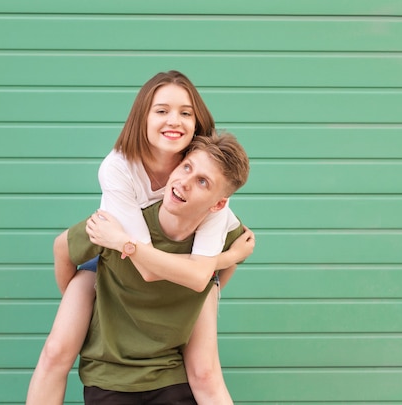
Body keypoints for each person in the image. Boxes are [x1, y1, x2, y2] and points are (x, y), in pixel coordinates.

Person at [26, 71, 254, 404]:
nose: (173, 120)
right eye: (161, 110)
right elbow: (77, 250)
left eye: (185, 112)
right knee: (55, 352)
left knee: (206, 370)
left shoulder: (206, 171)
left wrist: (217, 267)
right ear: (142, 118)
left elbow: (208, 270)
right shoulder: (119, 168)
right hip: (112, 256)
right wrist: (99, 306)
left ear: (197, 123)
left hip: (170, 263)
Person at [58, 133, 251, 403]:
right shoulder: (118, 223)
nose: (185, 183)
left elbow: (215, 275)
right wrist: (82, 300)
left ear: (218, 204)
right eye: (186, 167)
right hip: (111, 378)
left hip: (171, 376)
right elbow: (62, 247)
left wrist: (200, 291)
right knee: (54, 355)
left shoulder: (224, 236)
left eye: (202, 182)